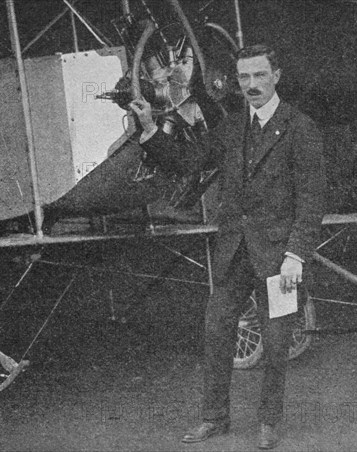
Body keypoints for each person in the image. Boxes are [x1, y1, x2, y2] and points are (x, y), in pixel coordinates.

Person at [130, 44, 326, 450]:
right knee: (216, 331)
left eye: (258, 75)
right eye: (243, 78)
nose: (251, 85)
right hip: (235, 252)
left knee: (277, 343)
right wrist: (149, 128)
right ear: (236, 82)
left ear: (276, 76)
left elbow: (312, 202)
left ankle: (269, 421)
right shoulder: (231, 127)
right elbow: (187, 162)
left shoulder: (301, 129)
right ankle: (214, 419)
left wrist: (296, 256)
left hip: (283, 260)